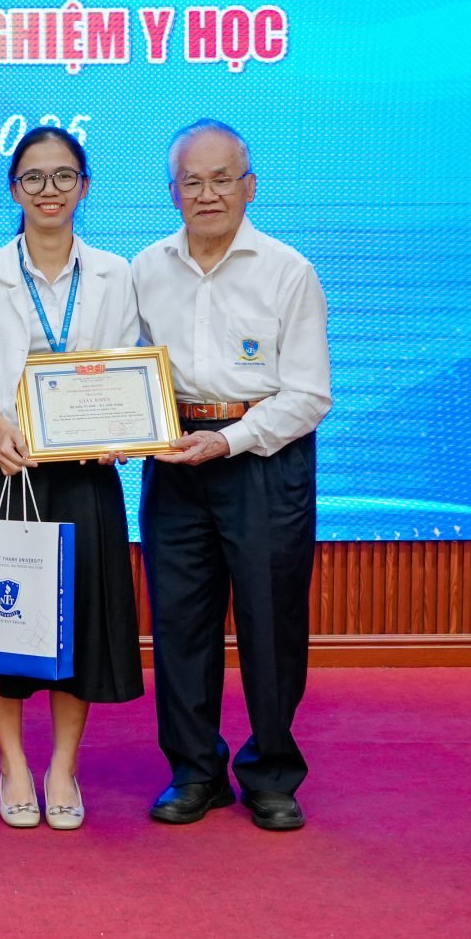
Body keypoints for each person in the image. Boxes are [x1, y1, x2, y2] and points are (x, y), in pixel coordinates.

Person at [0, 127, 146, 830]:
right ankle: (13, 764)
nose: (48, 190)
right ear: (13, 188)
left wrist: (120, 433)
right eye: (33, 177)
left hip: (83, 471)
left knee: (78, 619)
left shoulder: (115, 272)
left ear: (84, 186)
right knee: (3, 621)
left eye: (63, 176)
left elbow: (127, 365)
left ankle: (62, 766)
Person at [131, 120, 332, 830]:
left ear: (250, 186)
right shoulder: (145, 268)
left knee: (270, 622)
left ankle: (272, 773)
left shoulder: (288, 270)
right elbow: (122, 368)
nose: (208, 193)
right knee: (179, 622)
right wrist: (118, 428)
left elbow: (308, 395)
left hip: (264, 460)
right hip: (173, 458)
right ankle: (195, 771)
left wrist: (229, 441)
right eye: (192, 181)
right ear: (173, 192)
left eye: (223, 179)